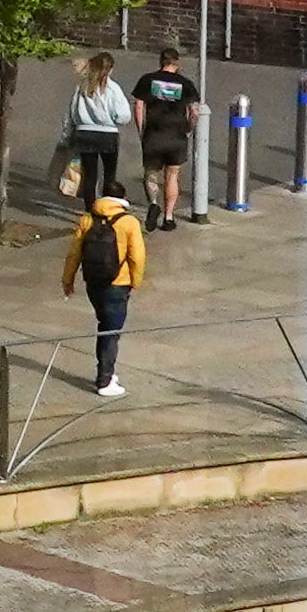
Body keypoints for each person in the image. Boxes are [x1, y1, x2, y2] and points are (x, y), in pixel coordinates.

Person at [64, 191, 143, 399]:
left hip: (94, 283)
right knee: (111, 332)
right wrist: (135, 281)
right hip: (118, 284)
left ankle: (107, 373)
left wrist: (68, 280)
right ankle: (105, 379)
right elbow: (137, 256)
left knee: (104, 326)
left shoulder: (87, 219)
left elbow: (74, 253)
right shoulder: (128, 223)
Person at [135, 51, 199, 231]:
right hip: (176, 135)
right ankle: (169, 217)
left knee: (150, 173)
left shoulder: (148, 80)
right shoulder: (186, 84)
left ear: (161, 61)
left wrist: (141, 129)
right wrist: (189, 129)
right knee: (172, 176)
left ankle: (154, 204)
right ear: (176, 63)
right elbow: (194, 112)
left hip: (154, 134)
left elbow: (139, 105)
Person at [61, 53, 133, 211]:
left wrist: (67, 134)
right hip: (108, 134)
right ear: (110, 69)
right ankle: (108, 208)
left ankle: (90, 210)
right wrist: (113, 120)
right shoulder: (113, 89)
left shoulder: (82, 87)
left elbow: (72, 113)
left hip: (85, 133)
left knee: (90, 176)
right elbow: (123, 115)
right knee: (109, 175)